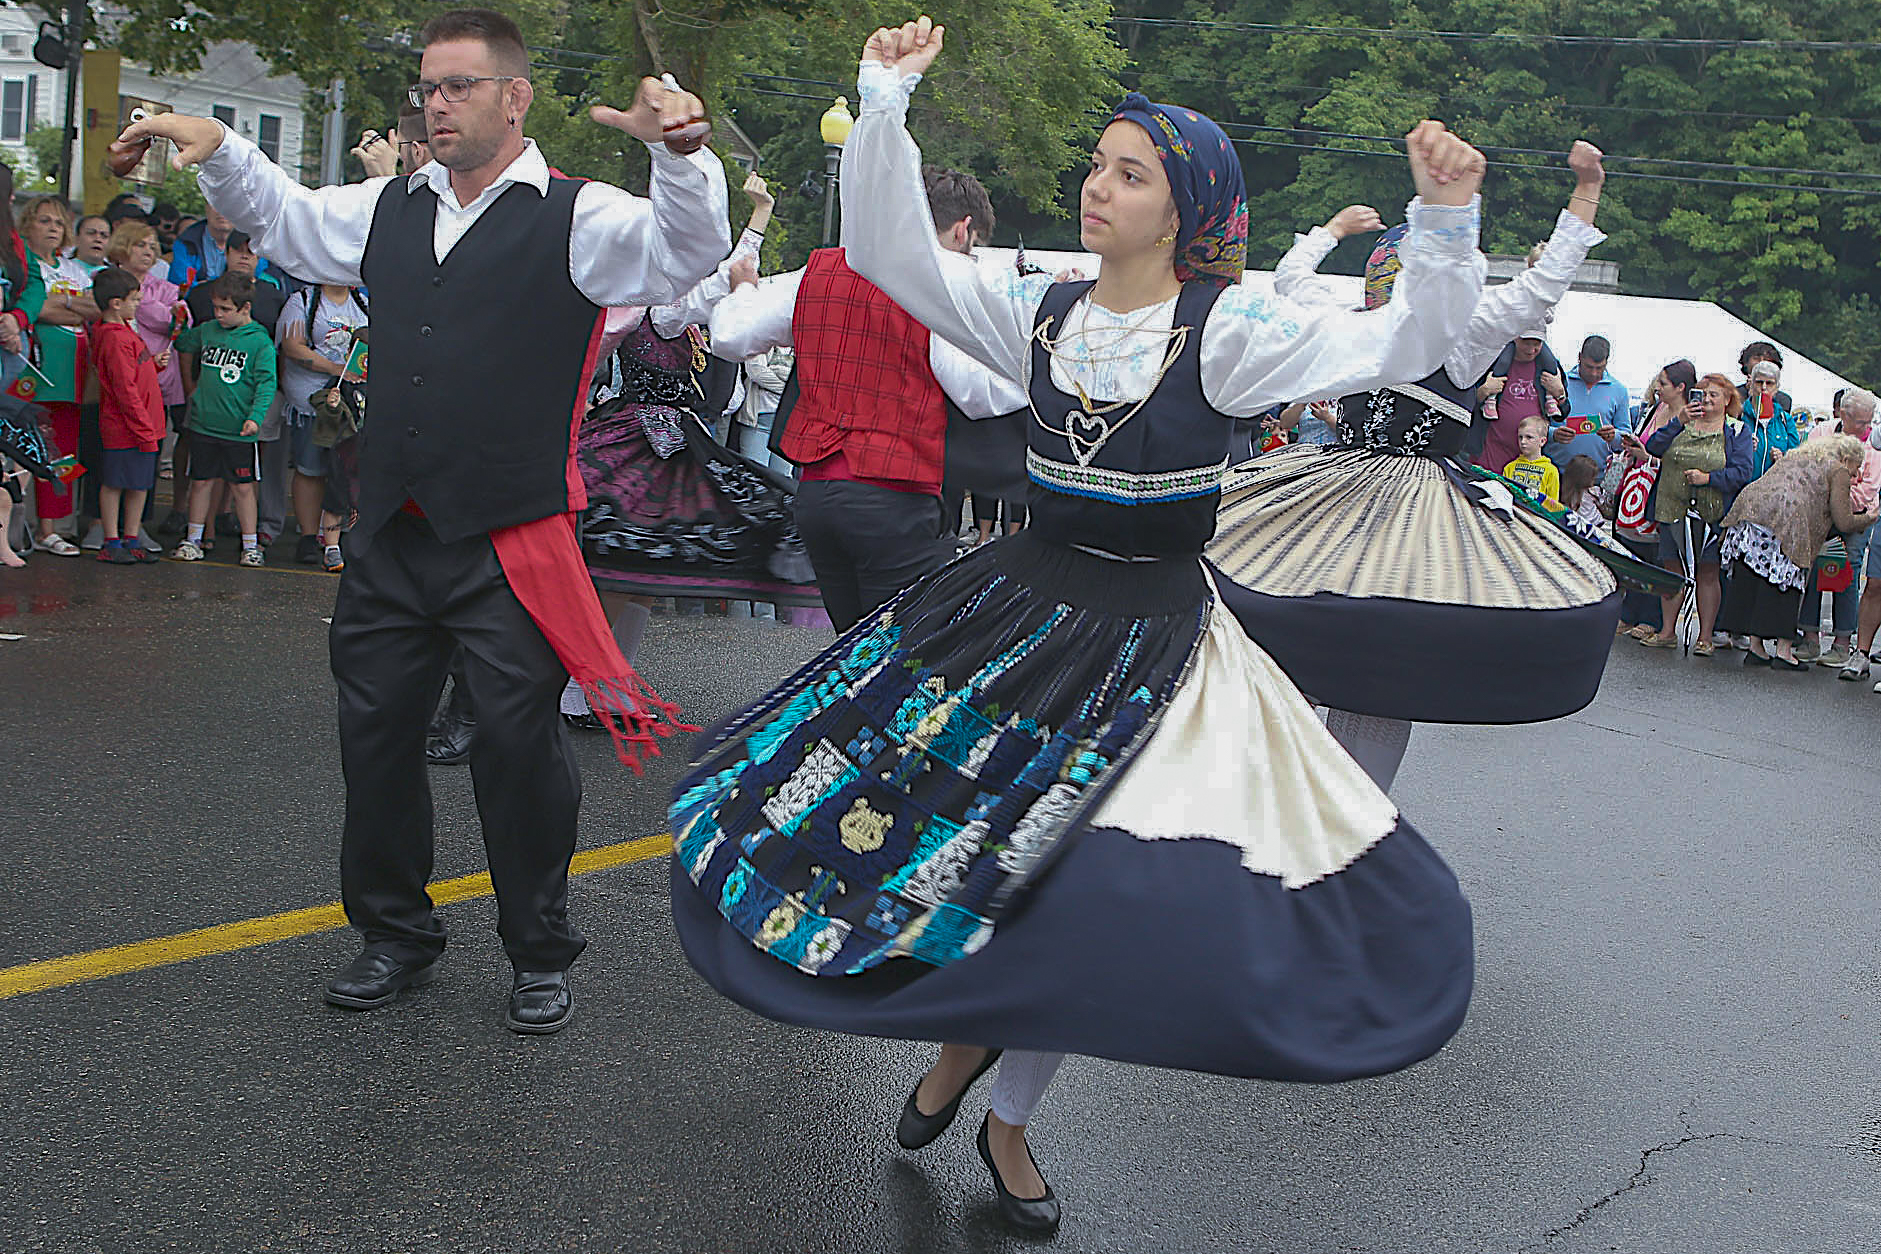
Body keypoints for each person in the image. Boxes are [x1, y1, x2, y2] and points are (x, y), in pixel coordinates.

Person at [671, 17, 1486, 1235]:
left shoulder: (1235, 333)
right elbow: (894, 255)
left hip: (1157, 645)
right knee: (981, 856)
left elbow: (1411, 339)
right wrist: (883, 102)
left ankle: (1005, 1115)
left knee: (1096, 899)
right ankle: (965, 1056)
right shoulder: (1036, 311)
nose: (1097, 188)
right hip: (1016, 617)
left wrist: (1445, 222)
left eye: (1129, 174)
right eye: (1098, 166)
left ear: (1184, 208)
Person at [118, 5, 730, 1032]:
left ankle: (538, 946)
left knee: (516, 750)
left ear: (514, 97)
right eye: (428, 90)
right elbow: (286, 217)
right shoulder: (389, 206)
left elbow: (685, 252)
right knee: (376, 740)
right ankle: (394, 934)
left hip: (507, 538)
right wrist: (218, 146)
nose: (436, 105)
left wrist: (680, 151)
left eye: (457, 87)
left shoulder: (581, 216)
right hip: (393, 532)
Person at [1216, 140, 1667, 790]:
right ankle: (1289, 796)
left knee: (1373, 664)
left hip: (1407, 515)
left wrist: (1586, 193)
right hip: (1336, 493)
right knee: (1304, 633)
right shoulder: (1355, 326)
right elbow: (1290, 283)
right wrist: (1330, 232)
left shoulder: (1461, 336)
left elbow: (1543, 285)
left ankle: (1345, 814)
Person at [707, 164, 1026, 631]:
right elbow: (977, 393)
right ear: (963, 230)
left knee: (853, 654)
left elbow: (730, 337)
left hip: (816, 494)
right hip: (893, 496)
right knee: (904, 661)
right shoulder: (945, 283)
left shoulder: (818, 271)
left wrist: (744, 290)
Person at [1719, 434, 1876, 669]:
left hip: (1751, 512)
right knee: (1787, 584)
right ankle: (1784, 652)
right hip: (1788, 521)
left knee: (1756, 580)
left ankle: (1756, 648)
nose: (1854, 478)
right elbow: (1843, 520)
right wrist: (1868, 519)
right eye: (1855, 471)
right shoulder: (1838, 470)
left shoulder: (1799, 454)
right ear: (1846, 458)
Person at [1631, 372, 1754, 654]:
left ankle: (1706, 637)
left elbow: (1742, 472)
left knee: (1707, 572)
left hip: (1710, 513)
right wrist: (1679, 420)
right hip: (1671, 505)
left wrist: (1708, 479)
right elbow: (1652, 447)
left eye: (1714, 395)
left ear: (1727, 400)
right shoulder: (1682, 423)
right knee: (1672, 569)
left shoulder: (1736, 431)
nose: (1707, 399)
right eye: (1702, 393)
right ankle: (1667, 631)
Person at [168, 273, 275, 566]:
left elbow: (266, 383)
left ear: (245, 308)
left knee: (242, 486)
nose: (218, 314)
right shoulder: (208, 330)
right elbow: (183, 344)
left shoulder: (259, 342)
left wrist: (256, 417)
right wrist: (178, 322)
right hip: (204, 423)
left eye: (226, 309)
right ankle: (193, 538)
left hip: (239, 428)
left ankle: (251, 544)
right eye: (215, 307)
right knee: (200, 482)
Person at [18, 195, 96, 556]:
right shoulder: (22, 266)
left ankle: (54, 527)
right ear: (27, 225)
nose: (52, 228)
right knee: (28, 445)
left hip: (73, 373)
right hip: (34, 369)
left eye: (58, 223)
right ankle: (25, 527)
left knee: (62, 449)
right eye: (44, 221)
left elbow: (93, 309)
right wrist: (67, 307)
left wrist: (58, 304)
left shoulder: (74, 270)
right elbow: (34, 309)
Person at [276, 281, 367, 569]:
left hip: (353, 406)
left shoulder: (364, 303)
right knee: (310, 469)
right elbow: (292, 347)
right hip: (312, 403)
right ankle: (307, 535)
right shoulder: (301, 301)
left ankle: (337, 537)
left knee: (346, 474)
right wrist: (336, 369)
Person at [107, 220, 186, 550]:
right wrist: (157, 308)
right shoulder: (106, 281)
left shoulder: (163, 286)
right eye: (141, 245)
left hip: (157, 381)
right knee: (111, 457)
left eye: (153, 246)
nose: (149, 251)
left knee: (147, 457)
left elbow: (177, 322)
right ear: (124, 247)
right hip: (114, 384)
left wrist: (148, 305)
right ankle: (105, 526)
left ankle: (136, 527)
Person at [88, 266, 167, 564]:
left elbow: (132, 372)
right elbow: (123, 388)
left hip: (143, 423)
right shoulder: (114, 337)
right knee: (115, 482)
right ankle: (111, 540)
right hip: (127, 427)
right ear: (115, 303)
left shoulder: (122, 333)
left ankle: (131, 537)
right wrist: (144, 429)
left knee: (139, 483)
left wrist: (154, 364)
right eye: (134, 299)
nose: (138, 304)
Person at [1614, 360, 1696, 640]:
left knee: (1658, 556)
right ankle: (1629, 612)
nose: (1657, 388)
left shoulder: (1690, 419)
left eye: (1663, 384)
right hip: (1639, 486)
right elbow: (1647, 442)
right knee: (1633, 549)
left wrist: (1647, 457)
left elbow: (1680, 457)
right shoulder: (1654, 409)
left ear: (1680, 387)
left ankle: (1652, 617)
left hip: (1667, 489)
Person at [1476, 329, 1565, 471]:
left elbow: (1564, 412)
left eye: (1536, 344)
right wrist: (1485, 390)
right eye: (1526, 343)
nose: (1531, 350)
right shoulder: (1493, 362)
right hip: (1491, 456)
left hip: (1529, 465)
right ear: (1515, 338)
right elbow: (1467, 403)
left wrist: (1560, 393)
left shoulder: (1548, 366)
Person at [1549, 333, 1629, 470]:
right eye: (1589, 367)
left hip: (1597, 477)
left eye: (1599, 368)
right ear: (1579, 357)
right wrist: (1553, 434)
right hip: (1556, 473)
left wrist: (1614, 436)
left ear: (1607, 362)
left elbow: (1626, 437)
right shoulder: (1559, 383)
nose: (1594, 373)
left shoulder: (1619, 390)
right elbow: (1536, 424)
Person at [1743, 358, 1800, 481]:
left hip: (1774, 490)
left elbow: (1796, 459)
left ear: (1777, 387)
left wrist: (1782, 458)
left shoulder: (1785, 420)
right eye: (1759, 382)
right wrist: (1743, 447)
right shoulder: (1739, 416)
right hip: (1742, 490)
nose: (1763, 387)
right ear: (1751, 384)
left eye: (1769, 383)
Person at [1502, 413, 1560, 505]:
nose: (1523, 441)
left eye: (1529, 437)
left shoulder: (1551, 470)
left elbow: (1553, 504)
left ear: (1542, 441)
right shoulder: (1509, 467)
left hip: (1537, 517)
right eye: (1520, 437)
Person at [1738, 341, 1793, 414]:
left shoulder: (1783, 399)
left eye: (1767, 359)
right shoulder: (1733, 393)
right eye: (1756, 358)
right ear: (1746, 363)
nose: (1761, 362)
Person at [1560, 453, 1603, 528]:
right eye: (1592, 477)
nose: (1593, 480)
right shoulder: (1568, 495)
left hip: (1598, 524)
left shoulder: (1593, 491)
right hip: (1581, 527)